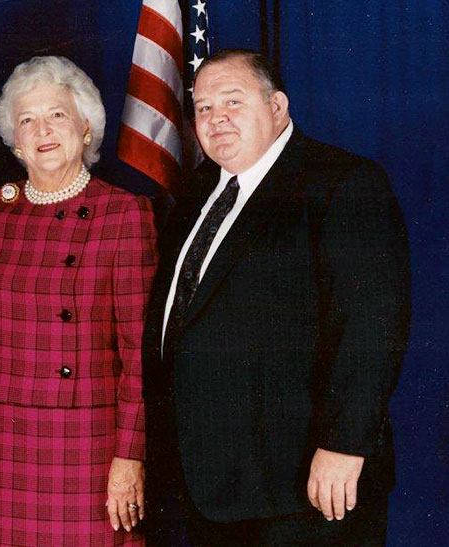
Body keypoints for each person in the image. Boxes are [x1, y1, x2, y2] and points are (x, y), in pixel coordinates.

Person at [143, 50, 410, 546]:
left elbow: (373, 327)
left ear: (279, 106)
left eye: (233, 101)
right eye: (202, 108)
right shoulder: (198, 191)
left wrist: (346, 444)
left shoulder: (341, 183)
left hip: (306, 486)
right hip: (207, 486)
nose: (215, 118)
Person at [0, 56, 157, 546]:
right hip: (2, 433)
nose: (42, 130)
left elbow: (139, 352)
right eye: (27, 119)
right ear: (14, 137)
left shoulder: (124, 213)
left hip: (85, 439)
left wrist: (129, 456)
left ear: (87, 126)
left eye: (57, 115)